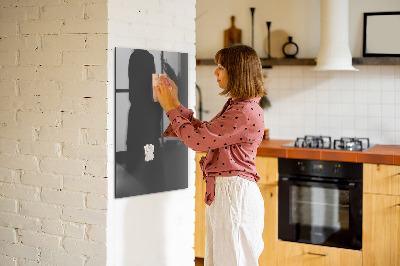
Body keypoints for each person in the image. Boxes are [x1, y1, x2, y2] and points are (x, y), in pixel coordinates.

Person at [153, 44, 267, 266]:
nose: (215, 72)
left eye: (221, 67)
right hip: (229, 193)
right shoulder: (239, 106)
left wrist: (169, 108)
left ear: (237, 72)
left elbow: (197, 141)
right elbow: (205, 133)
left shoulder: (243, 111)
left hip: (234, 196)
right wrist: (175, 103)